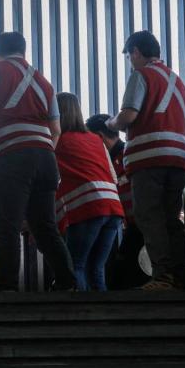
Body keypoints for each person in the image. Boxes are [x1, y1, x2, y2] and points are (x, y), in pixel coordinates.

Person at [0, 31, 73, 291]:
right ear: (24, 52)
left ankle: (6, 287)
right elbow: (56, 130)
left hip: (13, 158)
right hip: (46, 159)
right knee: (44, 226)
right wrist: (40, 151)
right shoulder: (44, 82)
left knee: (6, 224)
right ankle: (67, 281)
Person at [107, 31, 185, 290]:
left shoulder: (141, 75)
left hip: (149, 158)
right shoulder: (177, 81)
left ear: (137, 52)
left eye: (130, 55)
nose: (131, 61)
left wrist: (111, 123)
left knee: (149, 216)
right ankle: (179, 275)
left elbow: (128, 115)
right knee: (171, 219)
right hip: (177, 159)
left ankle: (162, 276)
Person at [54, 94, 123, 291]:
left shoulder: (57, 141)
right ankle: (104, 318)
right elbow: (114, 177)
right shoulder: (96, 139)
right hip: (114, 208)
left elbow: (49, 177)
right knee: (97, 268)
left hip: (88, 208)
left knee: (76, 265)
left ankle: (80, 318)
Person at [86, 113, 147, 289]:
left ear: (99, 137)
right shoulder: (118, 157)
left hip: (140, 225)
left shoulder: (125, 156)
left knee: (123, 278)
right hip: (132, 224)